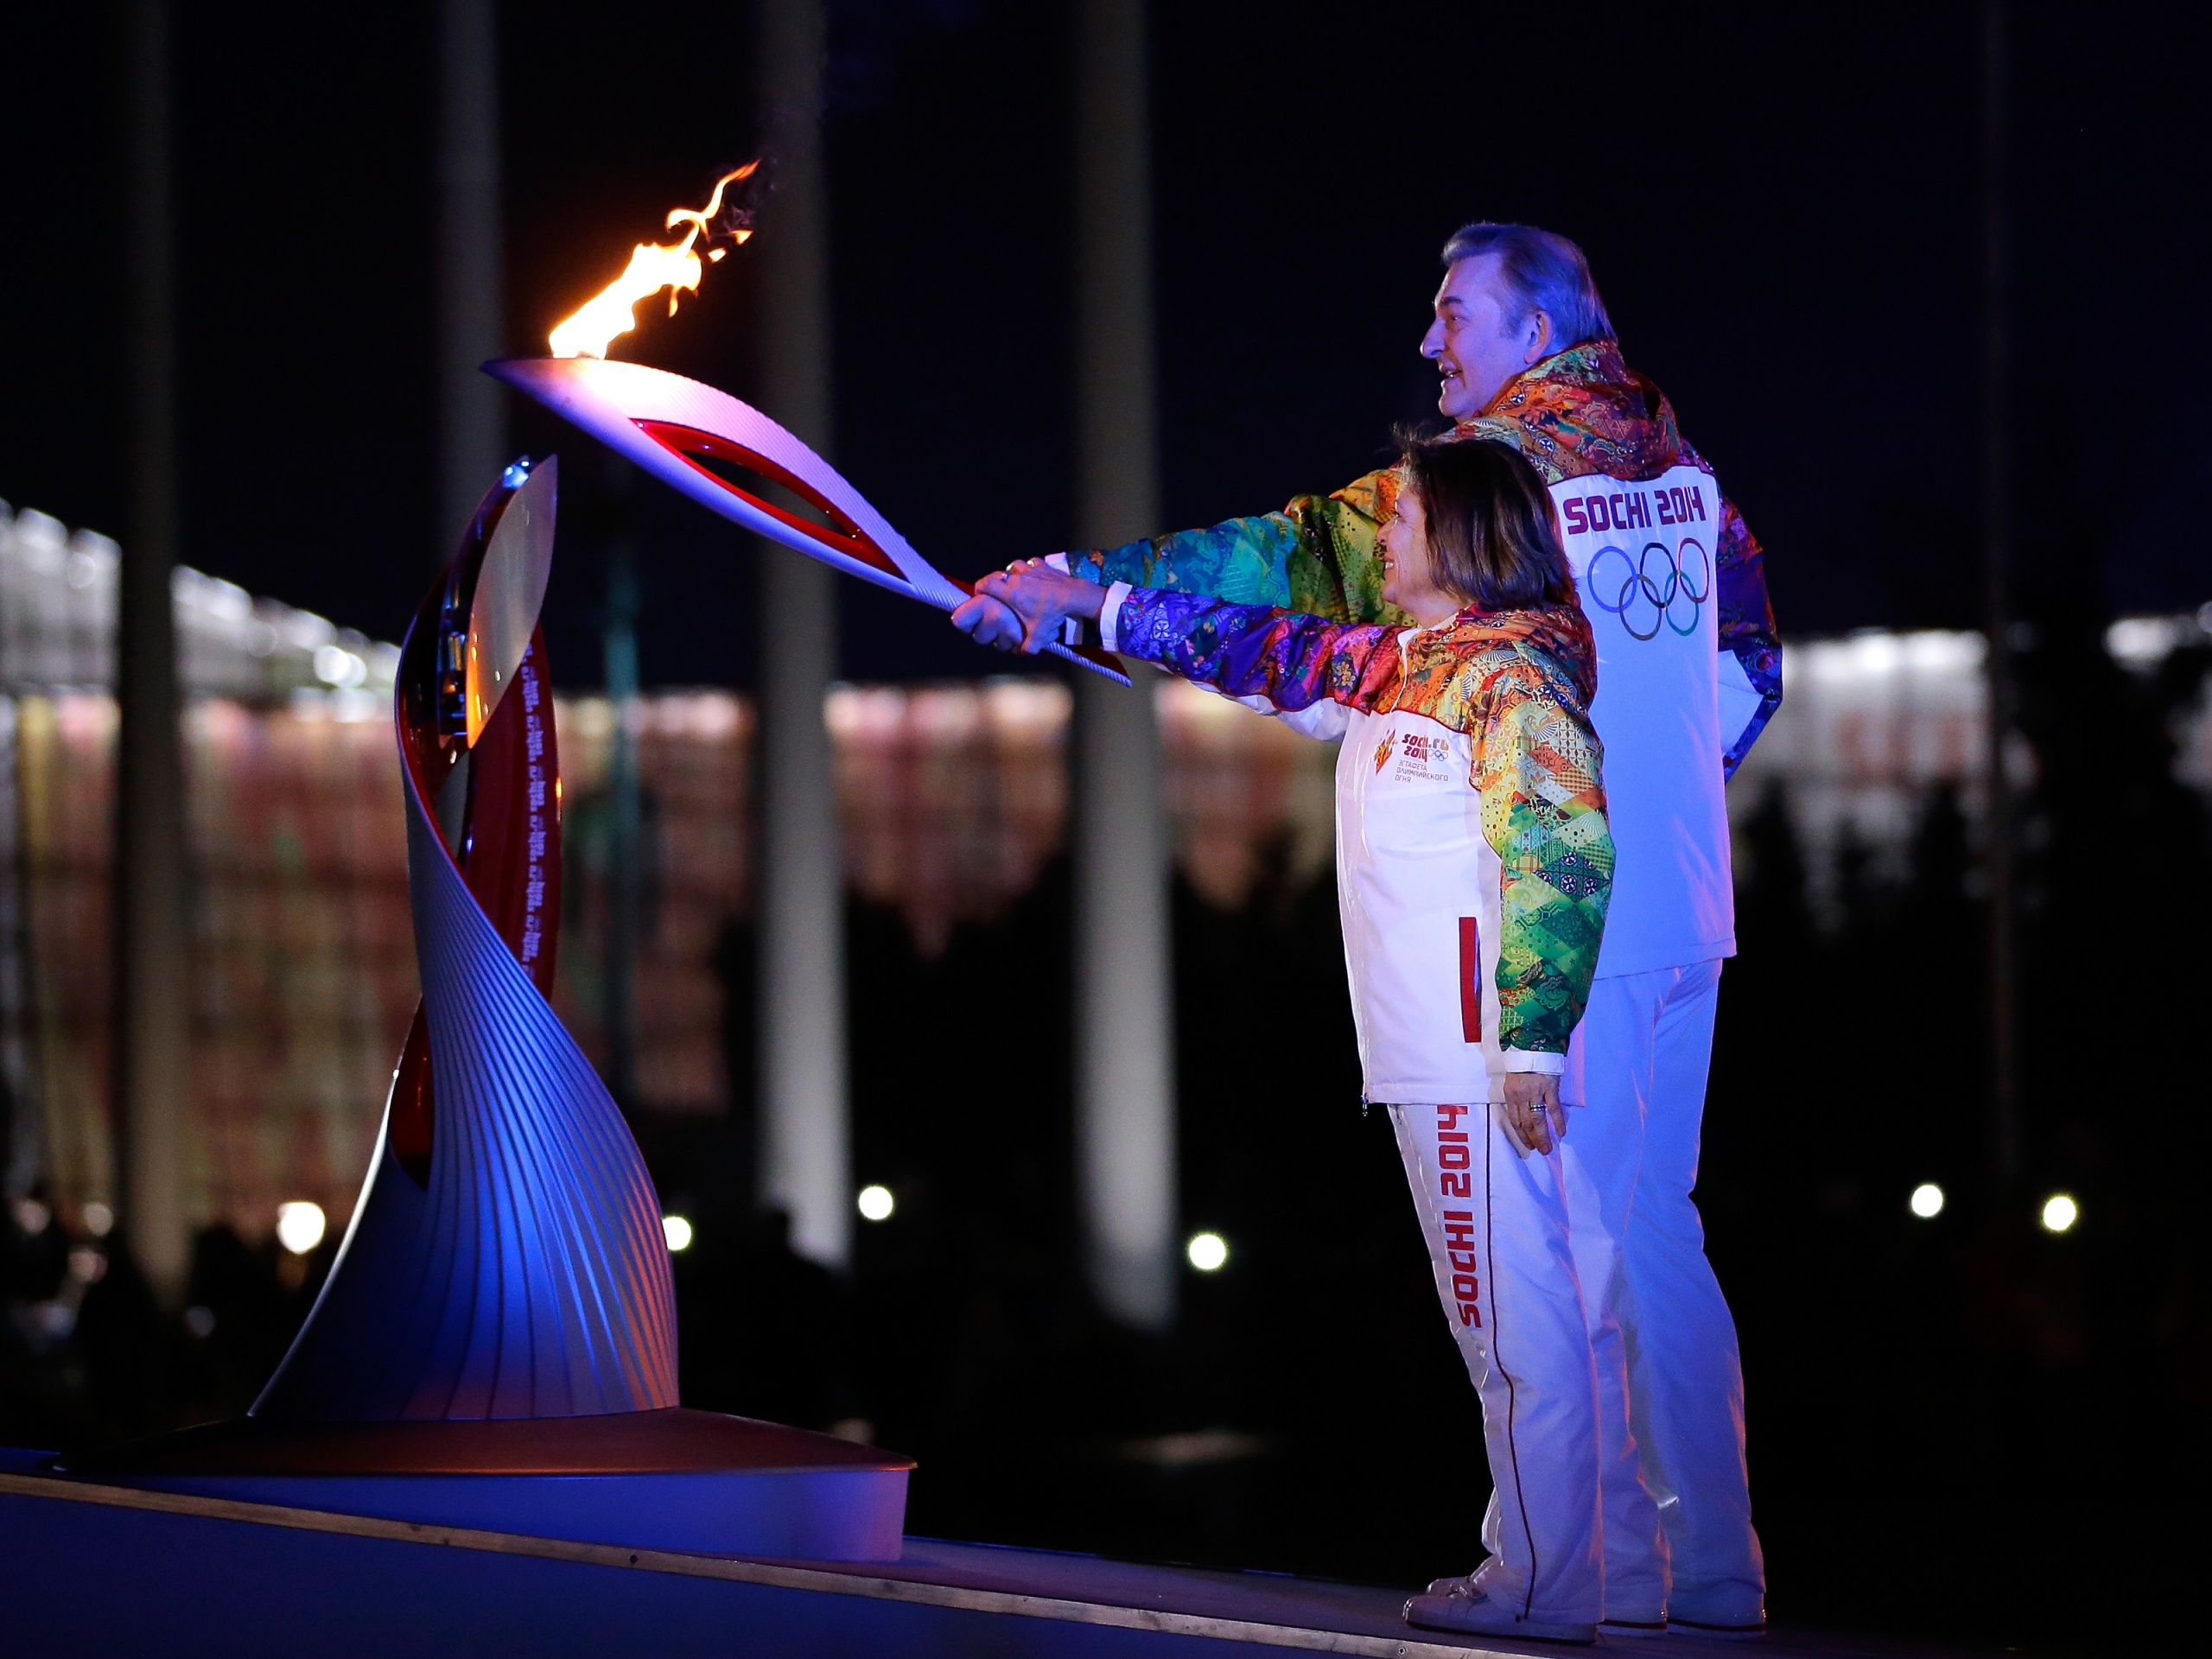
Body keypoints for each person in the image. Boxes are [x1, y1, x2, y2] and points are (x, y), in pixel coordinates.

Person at [955, 222, 1778, 1639]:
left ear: (1538, 328)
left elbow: (1283, 574)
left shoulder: (1489, 482)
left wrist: (1079, 589)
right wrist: (1659, 802)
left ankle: (1555, 1577)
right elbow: (1754, 670)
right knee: (1650, 1235)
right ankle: (1694, 1567)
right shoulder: (1688, 476)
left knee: (1545, 1265)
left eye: (1455, 311)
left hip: (1536, 922)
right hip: (1673, 910)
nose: (1429, 341)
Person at [973, 435, 1618, 1642]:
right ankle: (1537, 1565)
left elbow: (1564, 854)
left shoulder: (1510, 679)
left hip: (1481, 1061)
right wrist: (1070, 604)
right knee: (1494, 1323)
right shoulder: (1407, 665)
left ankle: (1548, 1584)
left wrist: (1529, 1043)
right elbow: (1253, 646)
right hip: (1437, 1059)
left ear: (1470, 538)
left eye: (1409, 518)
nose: (1385, 537)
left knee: (1515, 1318)